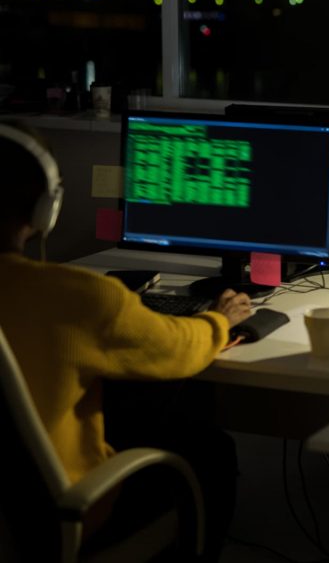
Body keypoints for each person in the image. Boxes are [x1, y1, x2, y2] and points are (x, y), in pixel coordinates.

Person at [0, 122, 252, 558]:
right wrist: (218, 319)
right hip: (57, 523)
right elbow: (174, 350)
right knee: (208, 449)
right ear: (46, 210)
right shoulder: (78, 298)